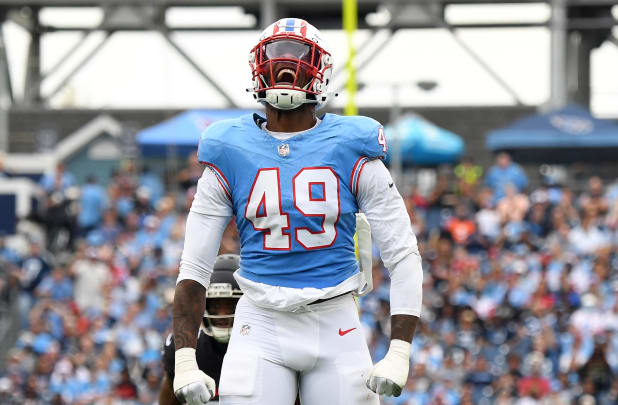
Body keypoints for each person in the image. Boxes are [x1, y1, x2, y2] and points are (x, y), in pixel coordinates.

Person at [171, 18, 422, 405]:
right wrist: (185, 358)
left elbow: (402, 253)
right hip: (260, 321)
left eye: (298, 55)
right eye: (276, 54)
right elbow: (194, 266)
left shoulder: (353, 146)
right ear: (258, 65)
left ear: (320, 69)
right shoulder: (229, 147)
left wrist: (401, 349)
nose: (286, 65)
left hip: (335, 317)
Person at [160, 255, 243, 404]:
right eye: (216, 305)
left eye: (230, 305)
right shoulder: (185, 346)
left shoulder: (265, 345)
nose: (222, 315)